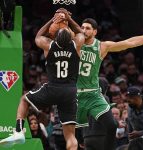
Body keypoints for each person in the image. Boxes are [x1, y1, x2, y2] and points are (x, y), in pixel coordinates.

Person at [0, 9, 85, 150]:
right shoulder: (76, 45)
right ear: (71, 38)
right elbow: (80, 33)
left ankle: (19, 131)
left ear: (55, 37)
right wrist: (68, 19)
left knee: (24, 100)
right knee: (70, 136)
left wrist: (53, 19)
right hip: (70, 91)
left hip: (53, 88)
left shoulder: (49, 46)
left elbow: (38, 36)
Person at [76, 18, 143, 150]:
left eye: (87, 28)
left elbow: (129, 42)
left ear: (95, 32)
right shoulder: (75, 43)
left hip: (90, 93)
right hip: (74, 93)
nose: (83, 30)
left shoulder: (101, 46)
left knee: (111, 125)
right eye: (82, 27)